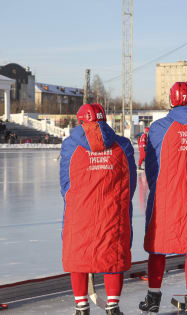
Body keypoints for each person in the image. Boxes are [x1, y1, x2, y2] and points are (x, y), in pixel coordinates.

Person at [139, 82, 187, 315]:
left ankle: (153, 298)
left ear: (171, 99)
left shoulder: (160, 127)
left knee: (158, 245)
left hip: (167, 195)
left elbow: (151, 167)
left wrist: (159, 187)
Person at [60, 103, 137, 315]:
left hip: (80, 211)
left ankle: (81, 306)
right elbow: (130, 182)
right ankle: (113, 306)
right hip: (112, 211)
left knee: (78, 255)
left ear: (81, 121)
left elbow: (65, 184)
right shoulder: (122, 145)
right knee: (113, 255)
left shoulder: (70, 145)